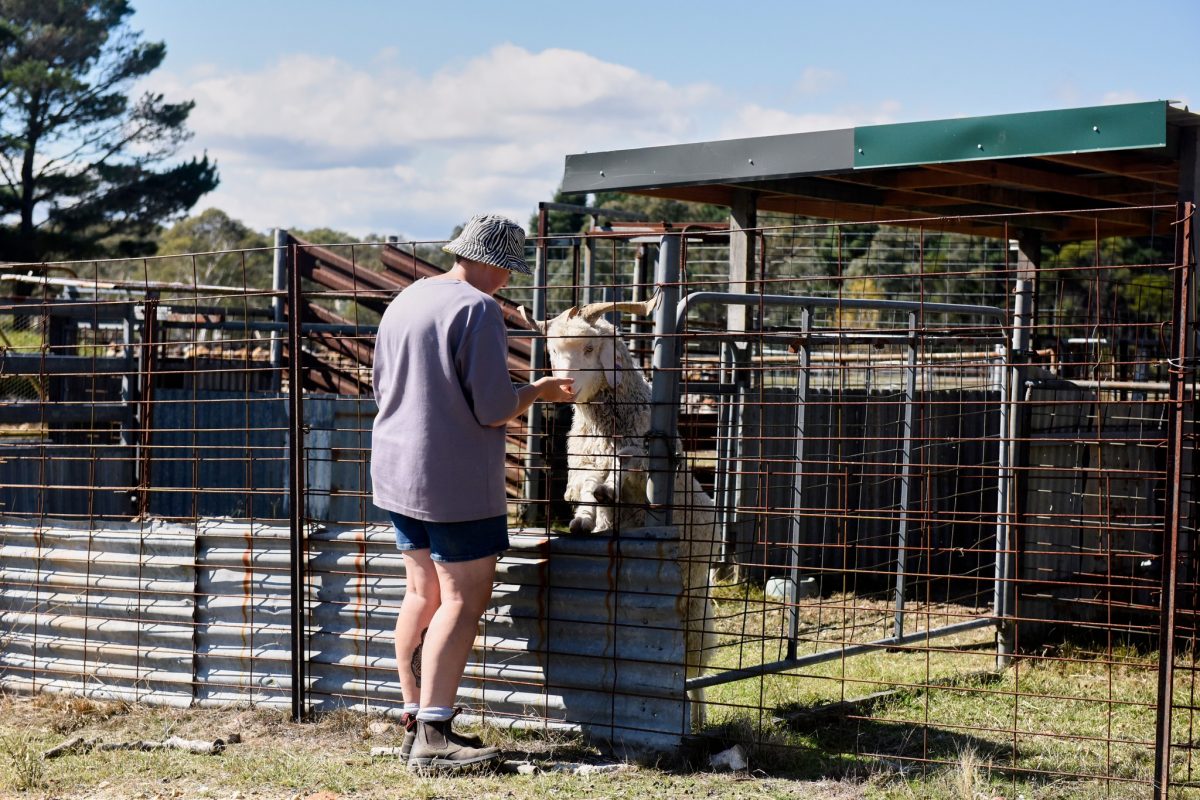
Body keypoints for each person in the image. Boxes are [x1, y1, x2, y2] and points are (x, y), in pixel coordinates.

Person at [371, 213, 574, 772]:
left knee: (423, 593)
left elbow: (382, 384)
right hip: (452, 480)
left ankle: (413, 717)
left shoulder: (408, 298)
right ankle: (436, 736)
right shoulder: (478, 309)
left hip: (395, 470)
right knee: (462, 599)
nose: (508, 280)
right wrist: (538, 390)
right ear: (494, 264)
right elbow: (492, 408)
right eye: (508, 267)